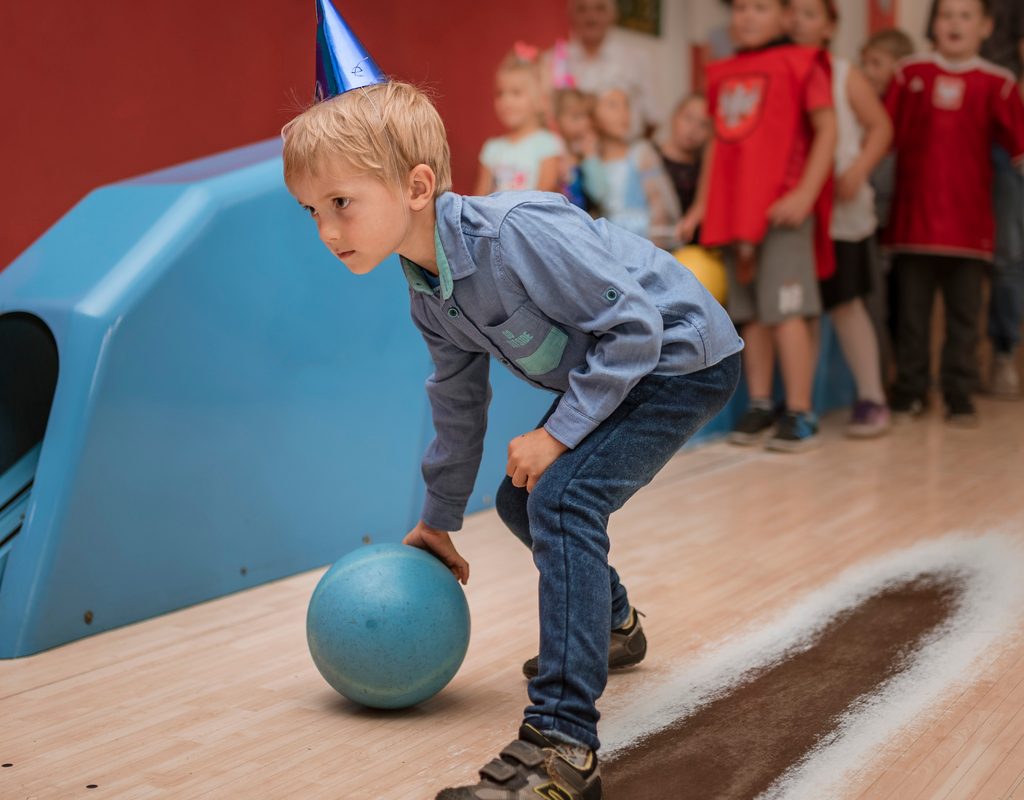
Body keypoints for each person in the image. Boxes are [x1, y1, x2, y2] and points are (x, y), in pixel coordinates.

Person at [284, 13, 743, 798]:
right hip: (620, 368)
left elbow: (633, 331)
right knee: (523, 496)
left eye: (340, 203)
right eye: (311, 212)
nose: (326, 231)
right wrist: (439, 518)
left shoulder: (518, 234)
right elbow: (457, 406)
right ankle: (612, 626)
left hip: (680, 359)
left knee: (560, 496)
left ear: (417, 186)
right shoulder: (429, 290)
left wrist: (559, 437)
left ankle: (563, 746)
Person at [680, 0, 838, 452]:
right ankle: (762, 403)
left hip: (782, 211)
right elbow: (717, 143)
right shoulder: (721, 70)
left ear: (787, 17)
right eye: (741, 7)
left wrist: (806, 193)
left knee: (785, 310)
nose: (747, 16)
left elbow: (827, 130)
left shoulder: (805, 62)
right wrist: (702, 204)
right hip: (735, 213)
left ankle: (801, 409)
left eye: (761, 7)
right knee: (749, 314)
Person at [885, 0, 1024, 426]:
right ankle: (910, 390)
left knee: (965, 320)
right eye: (947, 15)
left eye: (965, 16)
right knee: (911, 316)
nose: (954, 24)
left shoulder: (997, 83)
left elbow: (1019, 150)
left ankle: (959, 393)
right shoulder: (909, 74)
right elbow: (884, 136)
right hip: (911, 225)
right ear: (934, 24)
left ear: (985, 27)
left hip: (970, 229)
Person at [790, 0, 894, 438]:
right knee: (803, 309)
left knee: (846, 302)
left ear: (830, 26)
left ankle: (872, 396)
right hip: (796, 211)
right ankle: (801, 407)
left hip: (840, 209)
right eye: (792, 11)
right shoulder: (777, 67)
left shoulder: (841, 71)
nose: (799, 21)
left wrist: (857, 170)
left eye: (811, 14)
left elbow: (881, 127)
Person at [861, 28, 915, 378]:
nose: (866, 71)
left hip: (900, 224)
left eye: (876, 63)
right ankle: (880, 375)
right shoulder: (861, 114)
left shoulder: (906, 115)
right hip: (872, 225)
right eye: (864, 62)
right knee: (876, 305)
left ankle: (897, 374)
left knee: (902, 307)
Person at [977, 0, 1024, 397]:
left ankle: (1004, 351)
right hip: (980, 128)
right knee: (998, 254)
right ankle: (994, 354)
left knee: (1008, 253)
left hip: (1008, 123)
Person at [544, 0, 662, 141]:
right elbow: (543, 116)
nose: (591, 17)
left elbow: (653, 118)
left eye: (600, 8)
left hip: (623, 154)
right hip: (566, 157)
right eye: (582, 9)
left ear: (613, 15)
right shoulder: (553, 60)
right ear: (571, 16)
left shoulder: (636, 59)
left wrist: (630, 156)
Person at [589, 86, 681, 245]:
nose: (623, 113)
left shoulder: (641, 153)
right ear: (593, 116)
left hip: (642, 239)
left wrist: (655, 245)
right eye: (613, 105)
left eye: (627, 106)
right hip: (609, 241)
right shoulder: (592, 161)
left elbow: (659, 203)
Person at [474, 45, 562, 195]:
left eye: (516, 93)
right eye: (500, 93)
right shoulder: (492, 149)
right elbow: (478, 200)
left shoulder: (547, 143)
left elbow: (545, 196)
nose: (506, 101)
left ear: (541, 100)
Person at [552, 87, 606, 212]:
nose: (585, 123)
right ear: (556, 120)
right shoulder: (554, 151)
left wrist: (590, 156)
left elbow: (600, 194)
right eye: (576, 117)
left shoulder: (590, 153)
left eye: (588, 117)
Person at [659, 94, 711, 220]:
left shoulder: (706, 170)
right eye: (688, 118)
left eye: (703, 124)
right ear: (674, 116)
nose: (693, 129)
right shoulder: (647, 157)